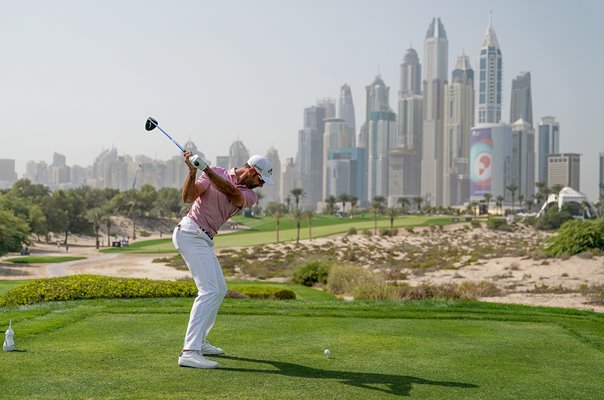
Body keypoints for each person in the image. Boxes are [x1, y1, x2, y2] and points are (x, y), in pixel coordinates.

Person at [173, 150, 273, 369]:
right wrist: (192, 173)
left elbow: (232, 194)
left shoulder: (249, 195)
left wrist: (206, 169)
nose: (262, 185)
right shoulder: (214, 173)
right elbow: (188, 198)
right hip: (190, 232)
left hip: (203, 238)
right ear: (251, 171)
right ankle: (190, 351)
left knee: (218, 289)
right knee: (208, 291)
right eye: (261, 179)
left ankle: (200, 341)